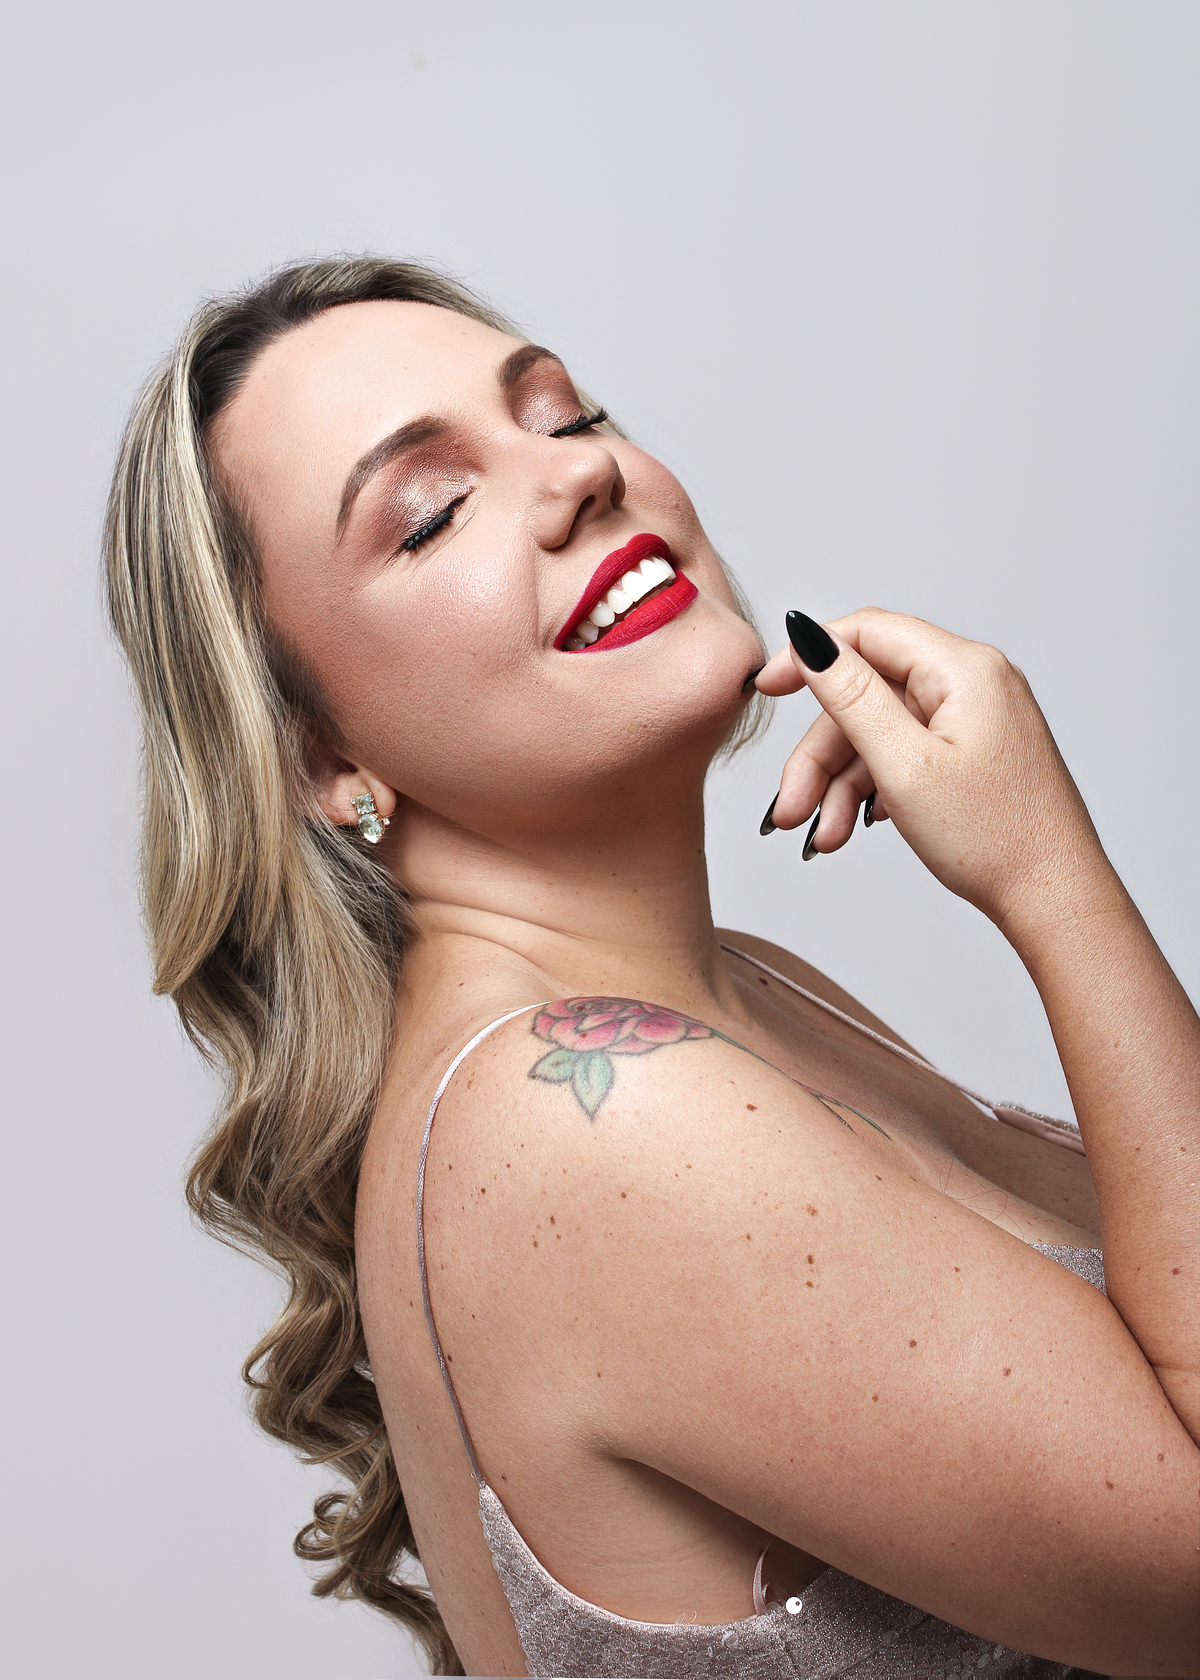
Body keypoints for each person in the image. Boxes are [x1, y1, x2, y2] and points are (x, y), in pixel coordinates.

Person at [105, 257, 1198, 1679]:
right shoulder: (586, 1117)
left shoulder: (749, 991)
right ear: (321, 757)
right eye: (432, 513)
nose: (581, 478)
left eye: (567, 417)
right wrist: (1051, 878)